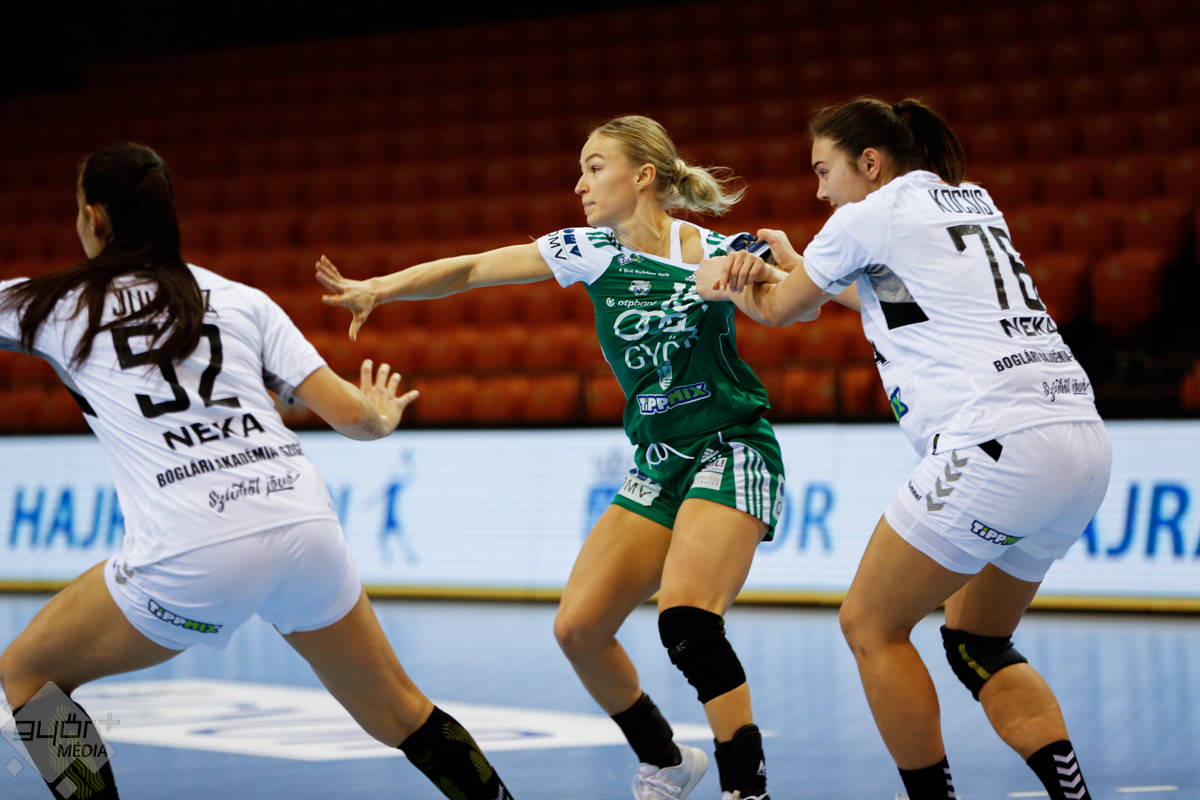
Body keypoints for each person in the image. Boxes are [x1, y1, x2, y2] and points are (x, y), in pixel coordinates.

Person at [316, 115, 858, 800]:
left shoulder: (715, 251)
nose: (580, 184)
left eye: (595, 167)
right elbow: (475, 268)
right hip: (658, 459)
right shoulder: (587, 250)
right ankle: (666, 760)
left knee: (689, 622)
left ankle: (746, 790)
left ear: (644, 176)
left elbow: (794, 309)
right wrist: (383, 287)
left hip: (730, 444)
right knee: (578, 628)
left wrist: (771, 269)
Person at [0, 142, 515, 800]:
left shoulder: (56, 304)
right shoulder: (243, 299)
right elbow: (352, 417)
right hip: (303, 523)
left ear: (93, 218)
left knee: (27, 672)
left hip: (193, 547)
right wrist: (382, 415)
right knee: (402, 712)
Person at [696, 97, 1111, 800]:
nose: (819, 191)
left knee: (871, 624)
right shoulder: (972, 199)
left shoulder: (865, 218)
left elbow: (783, 310)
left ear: (869, 162)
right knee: (978, 640)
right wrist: (801, 267)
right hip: (1082, 442)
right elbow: (902, 302)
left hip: (994, 442)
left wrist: (726, 286)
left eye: (823, 171)